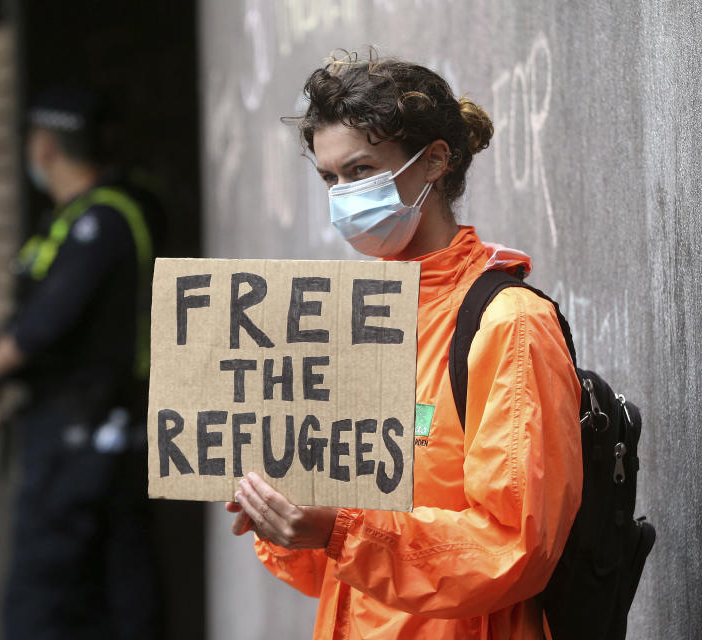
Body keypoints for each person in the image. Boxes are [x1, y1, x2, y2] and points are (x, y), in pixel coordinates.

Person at [226, 52, 583, 639]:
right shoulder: (350, 323)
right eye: (329, 178)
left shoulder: (509, 324)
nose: (343, 196)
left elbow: (513, 547)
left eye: (361, 170)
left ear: (434, 162)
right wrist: (286, 517)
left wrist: (340, 528)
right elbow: (336, 572)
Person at [0, 88, 163, 640]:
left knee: (48, 598)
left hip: (83, 434)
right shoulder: (90, 214)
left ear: (45, 145)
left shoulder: (103, 220)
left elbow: (43, 323)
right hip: (102, 432)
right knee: (114, 589)